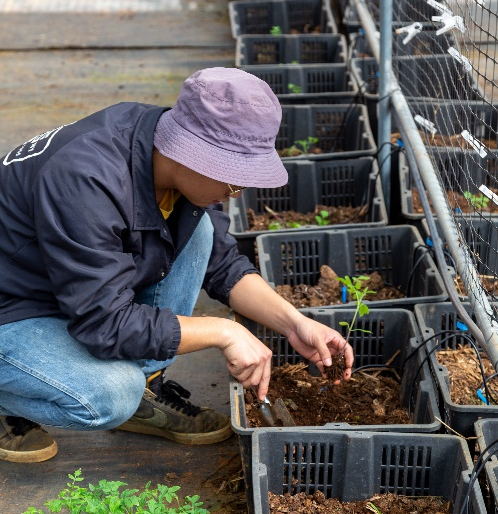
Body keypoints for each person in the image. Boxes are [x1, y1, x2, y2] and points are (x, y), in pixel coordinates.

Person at [0, 67, 354, 463]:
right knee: (110, 395)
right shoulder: (86, 179)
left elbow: (222, 265)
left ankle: (145, 386)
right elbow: (104, 323)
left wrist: (294, 323)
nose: (236, 194)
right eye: (234, 181)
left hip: (64, 288)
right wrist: (223, 331)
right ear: (189, 153)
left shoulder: (158, 150)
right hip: (12, 308)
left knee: (199, 231)